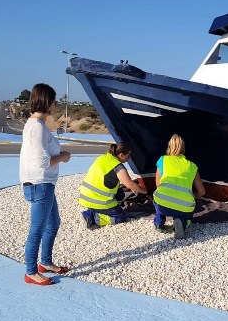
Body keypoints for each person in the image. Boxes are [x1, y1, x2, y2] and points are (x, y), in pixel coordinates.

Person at [20, 83, 71, 286]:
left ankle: (46, 262)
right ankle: (31, 272)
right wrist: (63, 157)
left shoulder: (37, 126)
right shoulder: (36, 127)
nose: (55, 105)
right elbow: (42, 161)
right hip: (40, 184)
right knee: (37, 230)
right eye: (54, 101)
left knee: (53, 223)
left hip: (45, 184)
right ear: (47, 102)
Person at [78, 142, 148, 229]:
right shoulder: (118, 167)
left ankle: (97, 210)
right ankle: (93, 217)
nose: (129, 158)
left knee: (120, 193)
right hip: (98, 200)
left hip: (85, 196)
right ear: (121, 155)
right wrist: (146, 191)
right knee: (120, 216)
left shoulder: (102, 158)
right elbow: (130, 185)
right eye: (128, 155)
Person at [153, 134, 206, 239]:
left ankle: (159, 223)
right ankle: (182, 222)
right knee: (186, 215)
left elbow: (158, 185)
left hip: (164, 206)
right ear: (184, 149)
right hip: (185, 207)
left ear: (169, 147)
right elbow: (202, 192)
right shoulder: (192, 166)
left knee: (158, 195)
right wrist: (192, 196)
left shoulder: (163, 160)